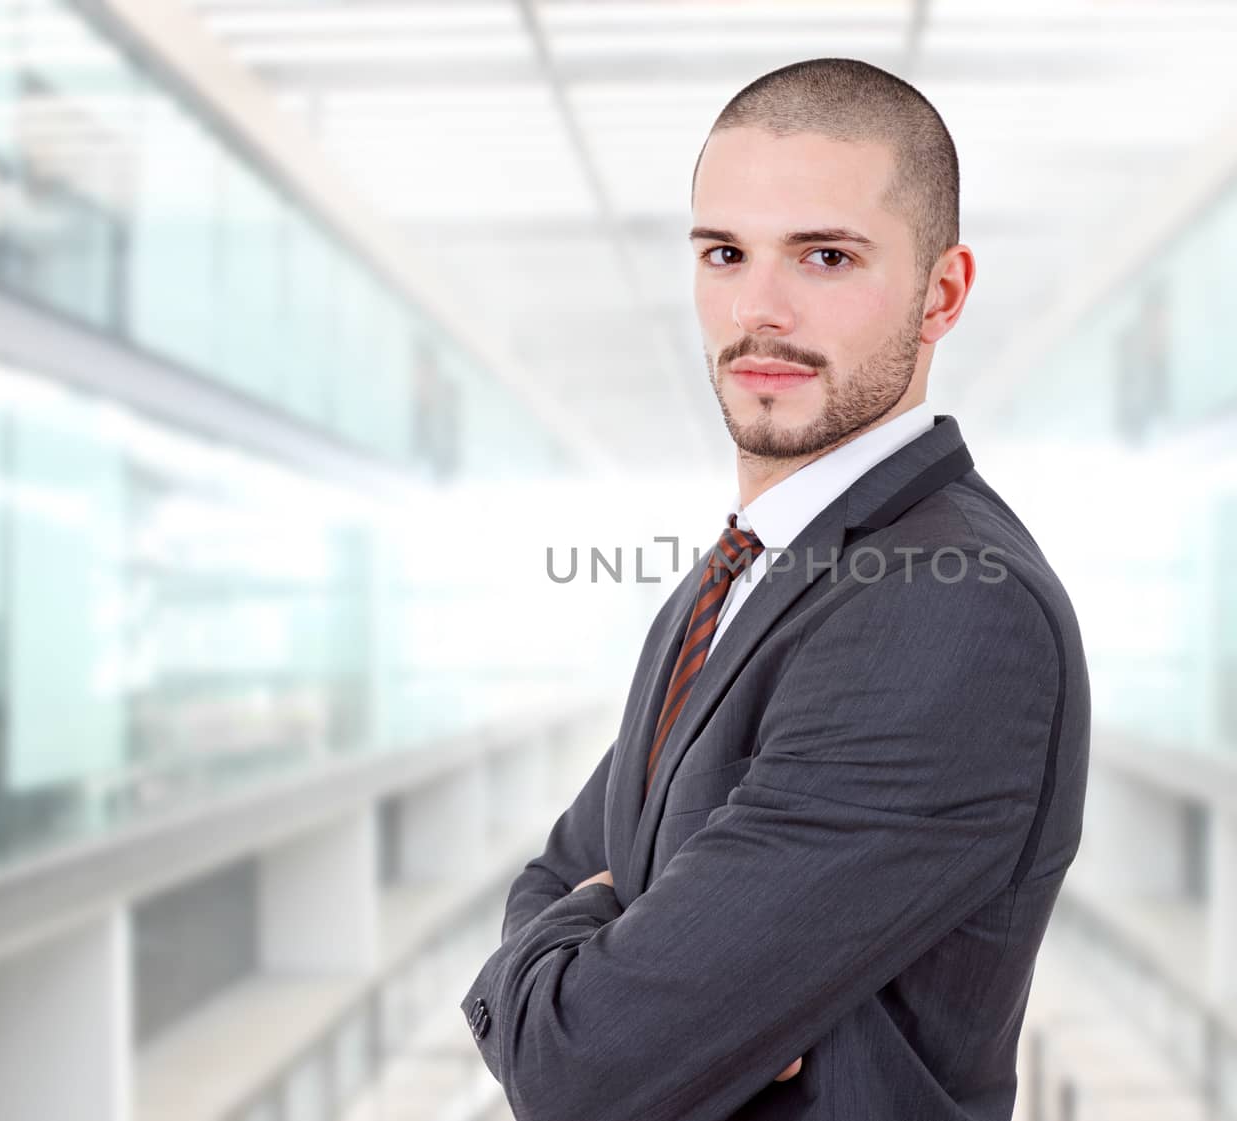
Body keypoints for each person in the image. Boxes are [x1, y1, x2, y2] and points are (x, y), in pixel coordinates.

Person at [460, 57, 1090, 1121]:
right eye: (724, 253)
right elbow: (557, 872)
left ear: (942, 293)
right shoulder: (732, 578)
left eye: (826, 256)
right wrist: (588, 942)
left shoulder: (948, 607)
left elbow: (585, 1068)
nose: (758, 308)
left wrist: (585, 953)